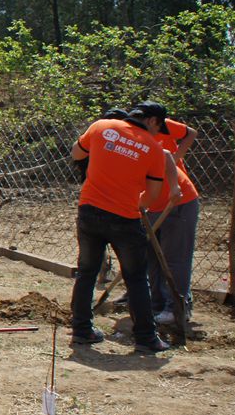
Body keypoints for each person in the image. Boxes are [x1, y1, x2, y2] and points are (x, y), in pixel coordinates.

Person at [69, 101, 177, 352]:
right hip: (125, 218)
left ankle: (82, 331)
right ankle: (147, 339)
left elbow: (76, 153)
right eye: (158, 128)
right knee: (137, 277)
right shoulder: (152, 147)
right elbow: (151, 195)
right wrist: (135, 202)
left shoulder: (102, 126)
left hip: (89, 211)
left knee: (86, 272)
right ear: (151, 121)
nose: (157, 133)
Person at [146, 114, 200, 325]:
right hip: (152, 204)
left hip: (177, 201)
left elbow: (170, 152)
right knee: (152, 256)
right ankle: (157, 304)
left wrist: (175, 161)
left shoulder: (164, 127)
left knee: (174, 258)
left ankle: (176, 307)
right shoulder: (132, 141)